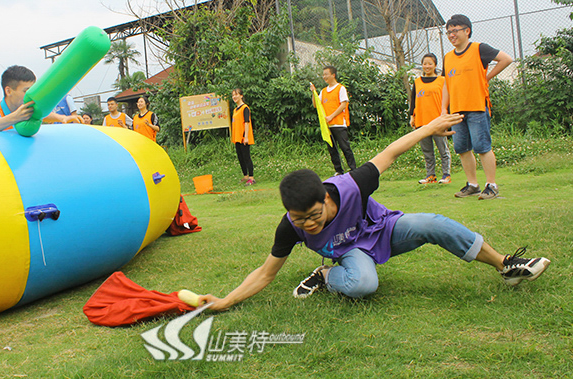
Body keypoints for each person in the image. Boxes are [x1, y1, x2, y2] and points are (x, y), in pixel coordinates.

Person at [199, 114, 550, 311]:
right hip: (351, 251)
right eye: (298, 218)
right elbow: (266, 273)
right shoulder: (290, 226)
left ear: (326, 198)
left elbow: (390, 152)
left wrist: (428, 129)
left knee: (434, 223)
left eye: (313, 216)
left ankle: (506, 266)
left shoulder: (353, 184)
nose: (307, 224)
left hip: (383, 228)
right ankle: (327, 275)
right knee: (364, 284)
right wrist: (226, 301)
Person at [441, 14, 513, 200]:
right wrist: (444, 109)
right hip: (457, 110)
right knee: (461, 148)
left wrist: (486, 77)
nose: (451, 35)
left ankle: (491, 185)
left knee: (482, 146)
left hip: (477, 106)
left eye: (455, 30)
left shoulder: (479, 49)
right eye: (448, 32)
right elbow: (446, 84)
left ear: (467, 31)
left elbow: (506, 59)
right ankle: (472, 184)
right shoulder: (448, 57)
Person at [0, 65, 80, 132]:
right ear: (9, 91)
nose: (31, 96)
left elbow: (42, 114)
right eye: (26, 91)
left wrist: (62, 118)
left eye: (33, 91)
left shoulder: (26, 110)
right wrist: (15, 118)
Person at [409, 53, 451, 184]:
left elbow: (448, 100)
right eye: (424, 63)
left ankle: (446, 175)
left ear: (435, 65)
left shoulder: (442, 80)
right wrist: (412, 117)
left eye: (430, 63)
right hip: (422, 121)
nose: (427, 66)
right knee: (427, 151)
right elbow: (413, 101)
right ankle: (430, 175)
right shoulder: (417, 82)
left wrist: (447, 118)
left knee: (443, 149)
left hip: (438, 121)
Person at [311, 65, 356, 175]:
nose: (324, 76)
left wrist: (331, 116)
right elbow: (316, 105)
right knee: (332, 150)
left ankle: (353, 169)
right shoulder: (323, 91)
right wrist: (313, 92)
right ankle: (338, 170)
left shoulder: (340, 88)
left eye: (326, 74)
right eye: (323, 75)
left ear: (333, 75)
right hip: (328, 126)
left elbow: (343, 104)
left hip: (339, 124)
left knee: (345, 147)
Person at [231, 88, 255, 185]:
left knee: (246, 157)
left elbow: (246, 122)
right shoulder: (235, 110)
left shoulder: (245, 108)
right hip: (237, 137)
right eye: (233, 95)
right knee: (240, 157)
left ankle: (251, 178)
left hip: (243, 137)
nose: (234, 97)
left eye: (236, 94)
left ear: (241, 96)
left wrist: (246, 137)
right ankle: (245, 176)